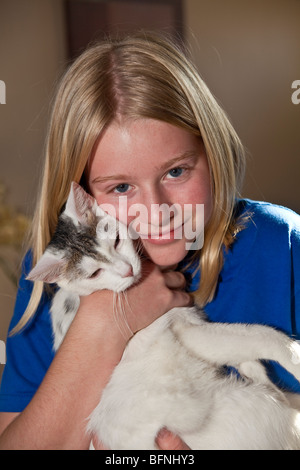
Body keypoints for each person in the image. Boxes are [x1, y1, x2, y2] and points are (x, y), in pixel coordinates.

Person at [0, 32, 299, 450]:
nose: (157, 211)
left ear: (211, 153)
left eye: (176, 172)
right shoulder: (58, 273)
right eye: (121, 187)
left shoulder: (283, 245)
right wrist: (104, 321)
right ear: (82, 196)